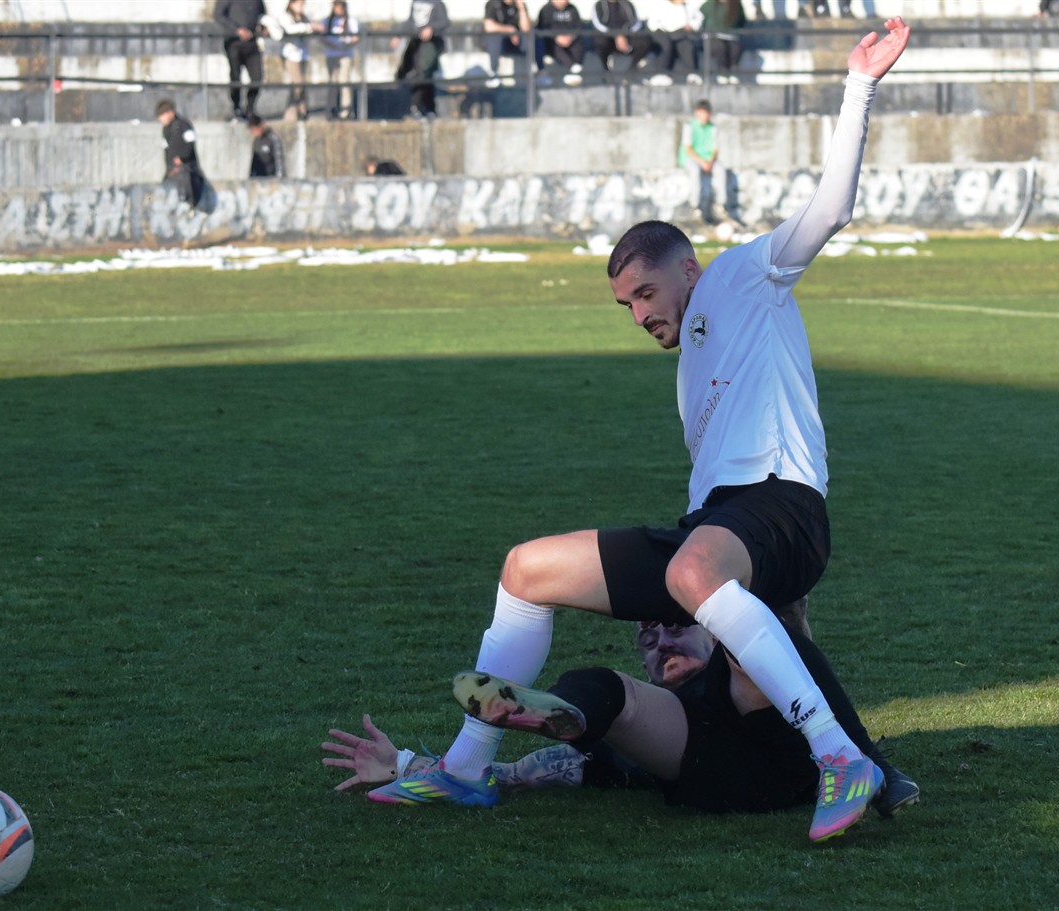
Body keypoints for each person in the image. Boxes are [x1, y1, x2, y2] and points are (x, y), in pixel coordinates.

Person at [364, 18, 914, 846]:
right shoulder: (692, 366)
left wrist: (860, 84)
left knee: (695, 569)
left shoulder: (748, 275)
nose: (640, 314)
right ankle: (465, 767)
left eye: (647, 293)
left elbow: (833, 206)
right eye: (627, 304)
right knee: (525, 569)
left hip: (782, 506)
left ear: (688, 268)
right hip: (717, 529)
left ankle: (843, 757)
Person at [325, 602, 921, 820]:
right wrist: (404, 764)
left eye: (675, 627)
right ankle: (565, 711)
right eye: (647, 638)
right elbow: (518, 775)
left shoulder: (736, 660)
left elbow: (762, 627)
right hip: (706, 769)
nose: (661, 642)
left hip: (779, 748)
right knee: (603, 690)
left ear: (705, 629)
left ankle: (868, 765)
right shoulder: (650, 716)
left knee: (761, 640)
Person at [392, 0, 450, 120]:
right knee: (412, 73)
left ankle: (421, 107)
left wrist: (431, 28)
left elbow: (444, 21)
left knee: (424, 73)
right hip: (416, 44)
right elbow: (411, 22)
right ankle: (425, 108)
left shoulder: (437, 3)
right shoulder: (416, 2)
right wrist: (398, 34)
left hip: (430, 44)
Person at [214, 0, 267, 121]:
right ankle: (236, 108)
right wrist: (237, 30)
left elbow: (262, 14)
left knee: (257, 77)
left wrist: (262, 27)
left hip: (252, 43)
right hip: (234, 43)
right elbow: (219, 15)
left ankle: (250, 108)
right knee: (235, 77)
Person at [275, 0, 320, 120]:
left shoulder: (303, 17)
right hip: (291, 55)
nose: (301, 6)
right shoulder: (285, 17)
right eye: (299, 4)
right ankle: (300, 111)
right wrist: (308, 27)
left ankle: (294, 113)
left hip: (303, 54)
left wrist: (315, 27)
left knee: (298, 85)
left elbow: (310, 27)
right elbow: (289, 30)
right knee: (299, 83)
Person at [155, 99, 205, 207]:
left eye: (162, 115)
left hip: (187, 169)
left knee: (186, 197)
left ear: (170, 113)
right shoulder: (166, 129)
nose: (160, 119)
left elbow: (190, 145)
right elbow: (166, 150)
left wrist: (182, 159)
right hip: (173, 170)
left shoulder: (184, 125)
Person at [591, 0, 655, 79]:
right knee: (600, 42)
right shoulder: (599, 5)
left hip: (627, 36)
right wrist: (616, 35)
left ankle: (631, 72)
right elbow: (598, 25)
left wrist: (624, 35)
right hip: (609, 37)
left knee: (643, 41)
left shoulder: (627, 4)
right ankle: (606, 72)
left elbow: (636, 23)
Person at [680, 99, 718, 223]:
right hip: (691, 158)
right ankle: (695, 205)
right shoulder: (689, 125)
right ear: (697, 113)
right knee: (695, 171)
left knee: (720, 170)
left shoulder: (712, 127)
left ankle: (721, 206)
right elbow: (688, 148)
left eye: (707, 113)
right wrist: (702, 162)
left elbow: (715, 149)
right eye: (702, 112)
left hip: (708, 159)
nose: (705, 116)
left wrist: (710, 161)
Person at [648, 0, 702, 85]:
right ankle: (662, 74)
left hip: (681, 33)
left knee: (687, 45)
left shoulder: (688, 7)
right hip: (663, 33)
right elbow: (652, 23)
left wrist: (692, 25)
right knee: (666, 46)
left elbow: (698, 19)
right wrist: (660, 30)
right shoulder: (660, 5)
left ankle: (692, 74)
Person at [321, 0, 360, 120]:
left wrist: (346, 44)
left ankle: (346, 110)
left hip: (345, 54)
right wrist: (333, 45)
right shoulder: (327, 21)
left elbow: (356, 37)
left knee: (344, 81)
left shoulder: (351, 21)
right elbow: (322, 37)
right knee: (332, 81)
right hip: (332, 54)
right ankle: (331, 109)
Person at [535, 0, 587, 83]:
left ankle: (576, 66)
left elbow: (579, 27)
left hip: (570, 39)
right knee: (553, 46)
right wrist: (556, 37)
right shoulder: (546, 10)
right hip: (552, 41)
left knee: (579, 43)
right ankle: (572, 67)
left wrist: (570, 37)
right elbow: (542, 28)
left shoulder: (572, 9)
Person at [482, 0, 531, 85]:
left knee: (533, 38)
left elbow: (526, 29)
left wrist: (522, 9)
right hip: (499, 42)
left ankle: (536, 73)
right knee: (495, 37)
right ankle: (493, 73)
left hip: (516, 42)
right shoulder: (493, 4)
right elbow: (488, 26)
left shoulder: (520, 5)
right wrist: (509, 30)